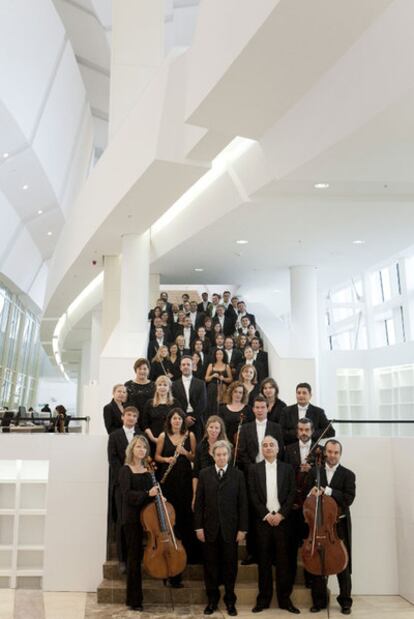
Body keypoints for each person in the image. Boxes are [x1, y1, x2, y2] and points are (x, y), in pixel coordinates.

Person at [194, 440, 248, 616]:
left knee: (230, 567)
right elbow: (199, 503)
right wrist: (198, 527)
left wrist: (242, 529)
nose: (221, 457)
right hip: (209, 529)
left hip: (230, 530)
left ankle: (230, 602)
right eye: (218, 454)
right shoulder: (204, 474)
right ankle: (212, 601)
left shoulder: (238, 475)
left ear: (229, 455)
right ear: (213, 455)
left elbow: (243, 504)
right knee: (210, 567)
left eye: (224, 454)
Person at [248, 436, 298, 614]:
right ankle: (263, 599)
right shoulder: (254, 470)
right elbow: (252, 494)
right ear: (262, 449)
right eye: (265, 445)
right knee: (264, 562)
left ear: (278, 449)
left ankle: (285, 600)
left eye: (271, 445)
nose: (268, 448)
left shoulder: (288, 468)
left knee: (284, 563)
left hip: (283, 522)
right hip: (263, 522)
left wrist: (281, 514)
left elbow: (292, 492)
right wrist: (266, 514)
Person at [305, 440, 356, 615]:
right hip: (318, 526)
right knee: (318, 563)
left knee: (343, 564)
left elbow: (348, 498)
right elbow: (305, 495)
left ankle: (345, 601)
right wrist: (310, 492)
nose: (332, 455)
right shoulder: (315, 471)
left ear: (340, 454)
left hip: (338, 527)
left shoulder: (348, 475)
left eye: (336, 452)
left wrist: (327, 491)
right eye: (330, 452)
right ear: (325, 452)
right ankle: (319, 601)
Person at [237, 395, 285, 565]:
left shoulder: (276, 427)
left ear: (267, 408)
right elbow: (241, 452)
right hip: (252, 472)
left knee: (270, 508)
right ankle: (252, 552)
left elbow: (281, 451)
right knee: (253, 513)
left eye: (262, 407)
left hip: (272, 471)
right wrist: (253, 469)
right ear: (253, 409)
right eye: (256, 407)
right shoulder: (246, 428)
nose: (259, 410)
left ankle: (271, 553)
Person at [119, 435, 158, 611]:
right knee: (133, 559)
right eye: (138, 447)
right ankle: (134, 600)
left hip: (148, 520)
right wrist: (147, 494)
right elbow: (127, 495)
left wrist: (159, 497)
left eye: (144, 447)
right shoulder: (126, 470)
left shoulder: (149, 471)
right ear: (132, 449)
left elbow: (152, 495)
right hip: (132, 519)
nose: (142, 450)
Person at [155, 409, 197, 573]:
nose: (177, 421)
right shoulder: (163, 436)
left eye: (180, 418)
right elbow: (157, 456)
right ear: (170, 420)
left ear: (183, 421)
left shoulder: (190, 436)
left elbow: (194, 457)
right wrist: (167, 459)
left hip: (185, 481)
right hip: (168, 482)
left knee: (185, 516)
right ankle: (170, 553)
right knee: (170, 516)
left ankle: (188, 555)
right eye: (174, 418)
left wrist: (185, 453)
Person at [107, 407, 144, 572]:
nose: (131, 418)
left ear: (137, 419)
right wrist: (125, 476)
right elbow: (113, 459)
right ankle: (123, 559)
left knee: (140, 522)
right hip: (122, 484)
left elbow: (145, 457)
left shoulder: (140, 435)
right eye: (128, 415)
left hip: (139, 485)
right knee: (123, 521)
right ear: (123, 417)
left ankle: (138, 557)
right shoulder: (114, 436)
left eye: (134, 416)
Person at [284, 417, 315, 588]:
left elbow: (324, 473)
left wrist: (313, 470)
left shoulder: (320, 450)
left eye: (307, 430)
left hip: (310, 507)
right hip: (293, 505)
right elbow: (285, 473)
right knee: (290, 546)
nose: (303, 433)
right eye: (301, 430)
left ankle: (310, 578)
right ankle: (290, 579)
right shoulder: (288, 449)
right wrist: (297, 469)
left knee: (309, 545)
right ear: (297, 431)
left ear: (312, 431)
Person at [192, 415, 229, 508]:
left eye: (217, 428)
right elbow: (195, 474)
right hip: (204, 489)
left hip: (223, 489)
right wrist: (195, 495)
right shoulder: (200, 447)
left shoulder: (227, 447)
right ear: (207, 428)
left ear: (221, 429)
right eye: (211, 427)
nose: (213, 430)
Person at [172, 356, 207, 441]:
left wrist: (192, 418)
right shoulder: (174, 384)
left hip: (197, 420)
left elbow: (203, 403)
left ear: (193, 367)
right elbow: (175, 403)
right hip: (180, 420)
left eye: (188, 364)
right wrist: (184, 418)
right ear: (180, 367)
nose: (186, 366)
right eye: (183, 365)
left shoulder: (201, 383)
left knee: (197, 447)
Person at [142, 376, 179, 450]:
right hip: (153, 440)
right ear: (156, 387)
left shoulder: (175, 403)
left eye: (165, 385)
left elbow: (180, 422)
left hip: (172, 440)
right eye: (160, 385)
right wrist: (153, 438)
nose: (162, 387)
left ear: (169, 388)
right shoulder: (149, 403)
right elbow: (145, 424)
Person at [124, 359, 155, 429]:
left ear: (148, 370)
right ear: (135, 370)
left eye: (145, 369)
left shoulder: (154, 385)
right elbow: (124, 404)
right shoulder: (128, 385)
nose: (142, 371)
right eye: (139, 368)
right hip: (132, 421)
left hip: (150, 422)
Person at [219, 381, 253, 445]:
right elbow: (220, 428)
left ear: (243, 394)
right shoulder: (222, 409)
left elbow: (252, 428)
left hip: (245, 443)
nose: (238, 394)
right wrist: (227, 443)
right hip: (226, 443)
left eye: (240, 392)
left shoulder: (248, 409)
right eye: (235, 392)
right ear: (231, 393)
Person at [205, 349, 233, 414]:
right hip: (211, 389)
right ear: (215, 355)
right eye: (217, 354)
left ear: (223, 355)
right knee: (211, 405)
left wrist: (223, 379)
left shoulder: (227, 366)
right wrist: (212, 376)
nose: (219, 355)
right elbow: (206, 378)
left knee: (221, 406)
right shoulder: (211, 365)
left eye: (220, 354)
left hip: (222, 389)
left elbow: (231, 379)